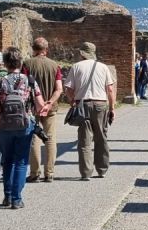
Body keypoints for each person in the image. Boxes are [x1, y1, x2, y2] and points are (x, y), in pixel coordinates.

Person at [0, 47, 45, 209]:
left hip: (4, 126)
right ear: (21, 62)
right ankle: (16, 198)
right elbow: (40, 105)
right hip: (24, 125)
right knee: (21, 162)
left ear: (5, 63)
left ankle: (7, 196)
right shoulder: (30, 80)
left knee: (7, 161)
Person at [65, 40, 116, 180]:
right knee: (101, 137)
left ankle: (86, 172)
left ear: (81, 53)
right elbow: (110, 90)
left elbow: (68, 89)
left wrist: (73, 101)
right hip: (100, 104)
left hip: (83, 104)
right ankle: (102, 169)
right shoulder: (103, 67)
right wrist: (112, 108)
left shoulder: (76, 67)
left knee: (84, 140)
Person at [25, 36, 63, 184]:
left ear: (33, 49)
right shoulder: (55, 66)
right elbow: (59, 89)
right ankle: (50, 173)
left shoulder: (27, 64)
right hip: (50, 108)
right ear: (46, 50)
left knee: (34, 138)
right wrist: (49, 102)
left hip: (33, 107)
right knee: (50, 138)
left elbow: (25, 86)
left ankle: (35, 173)